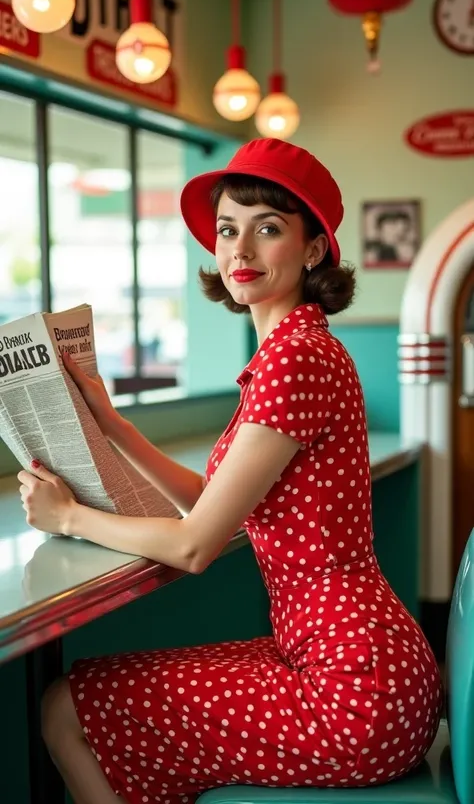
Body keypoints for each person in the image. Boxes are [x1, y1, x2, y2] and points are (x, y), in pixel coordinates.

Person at [18, 138, 442, 804]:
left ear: (312, 250)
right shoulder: (296, 348)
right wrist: (112, 421)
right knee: (75, 702)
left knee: (66, 708)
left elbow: (195, 546)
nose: (239, 250)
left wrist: (68, 517)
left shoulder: (294, 360)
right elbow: (215, 501)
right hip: (359, 667)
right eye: (227, 228)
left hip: (352, 693)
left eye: (267, 228)